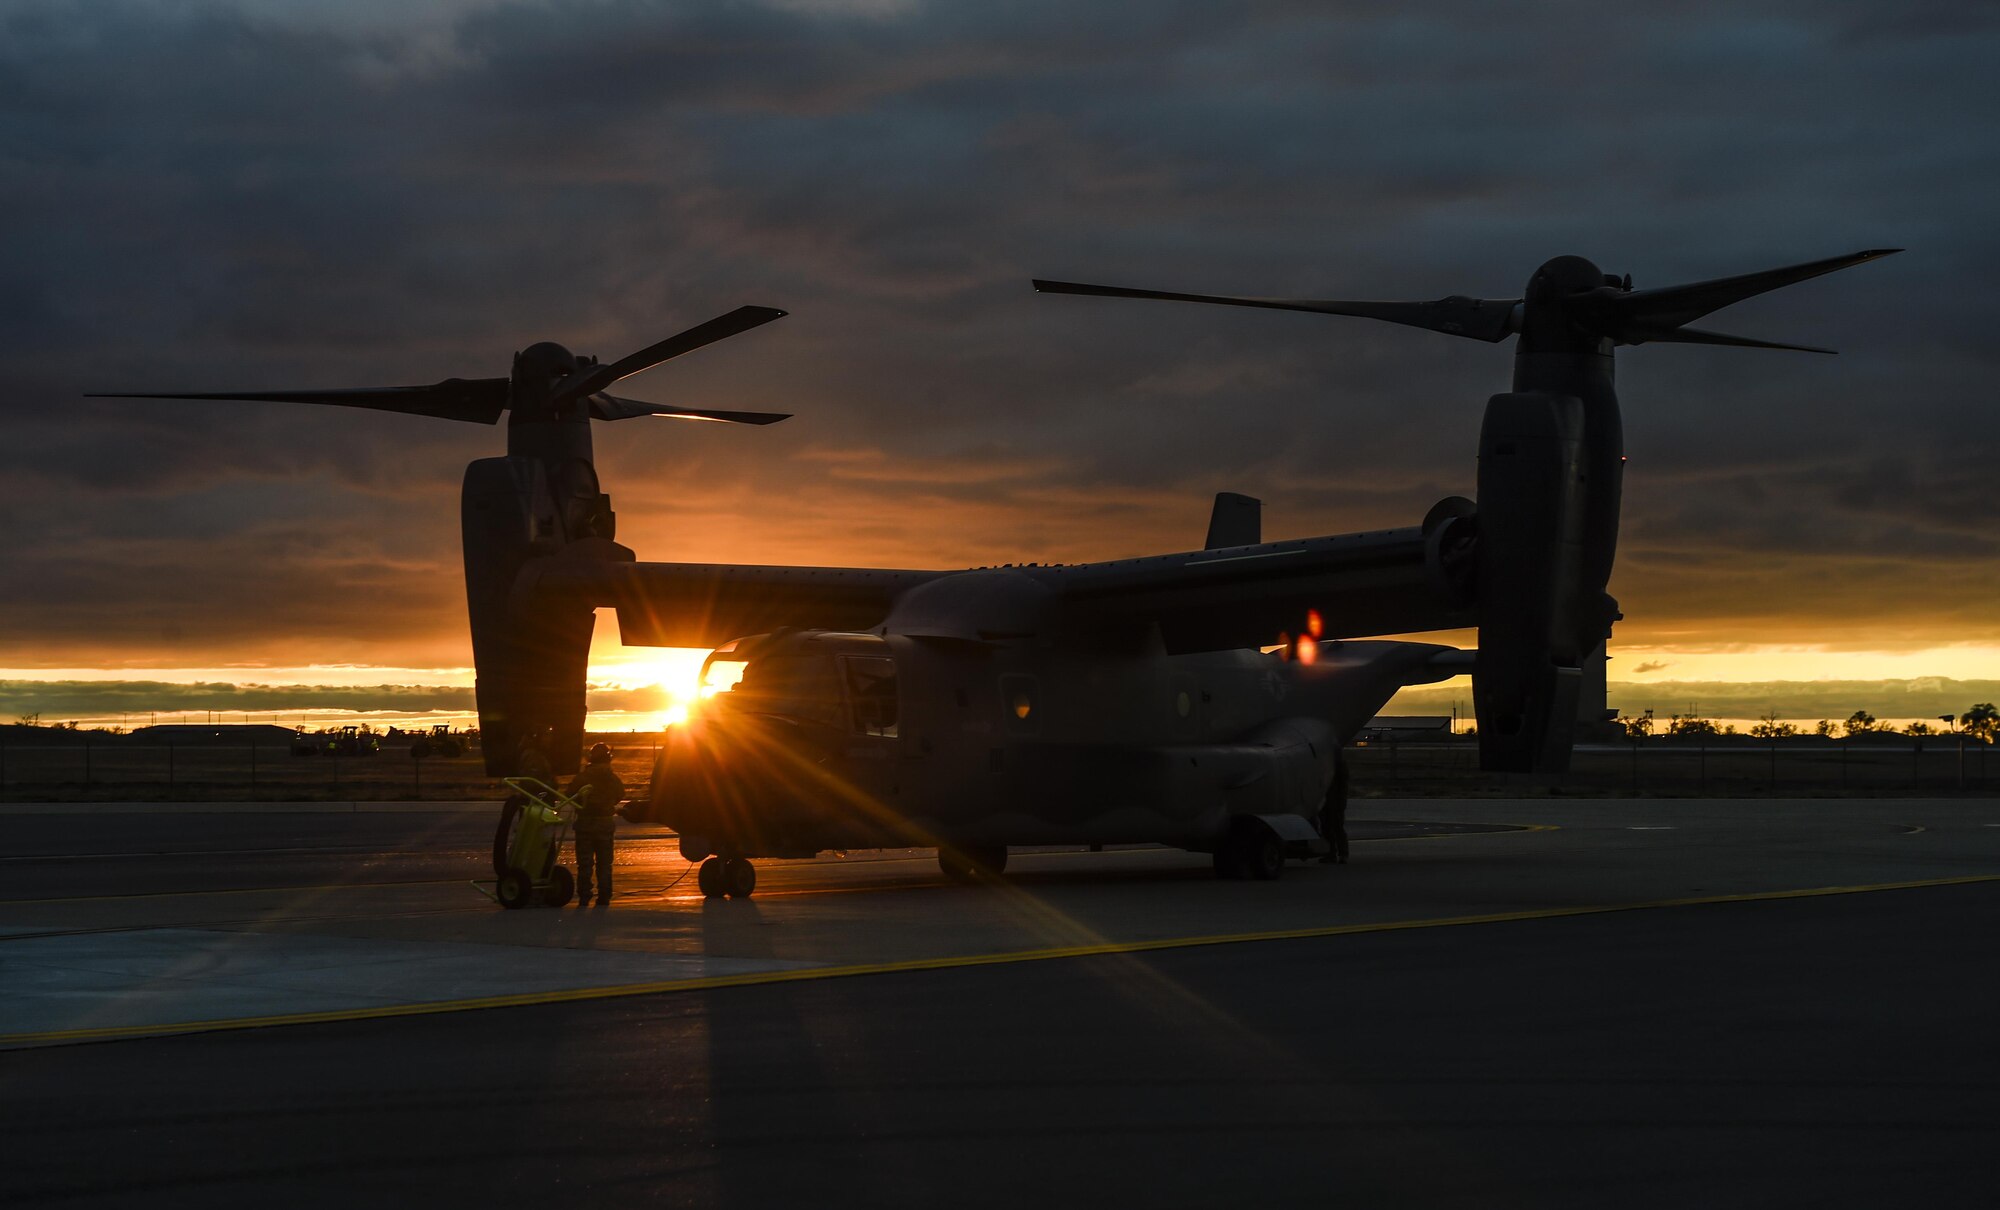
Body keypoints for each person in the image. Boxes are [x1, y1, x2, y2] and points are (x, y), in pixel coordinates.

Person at [566, 743, 625, 905]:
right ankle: (604, 894)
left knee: (584, 863)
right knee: (605, 863)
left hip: (585, 824)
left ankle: (585, 894)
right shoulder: (612, 778)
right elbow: (620, 794)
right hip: (605, 824)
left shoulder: (582, 777)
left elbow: (570, 794)